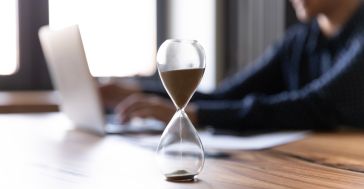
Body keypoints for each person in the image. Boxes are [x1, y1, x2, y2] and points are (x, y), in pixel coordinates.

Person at [101, 0, 364, 132]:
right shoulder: (299, 40)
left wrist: (195, 116)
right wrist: (136, 90)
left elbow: (316, 106)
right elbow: (225, 95)